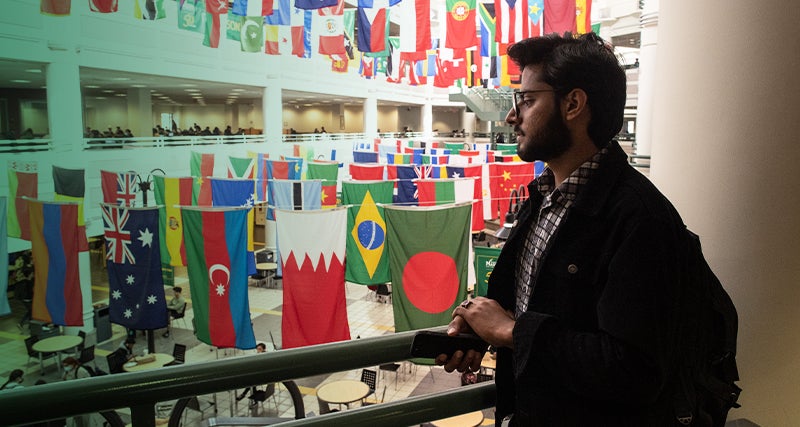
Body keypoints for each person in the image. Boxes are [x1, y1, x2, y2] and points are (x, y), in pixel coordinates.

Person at [437, 32, 693, 426]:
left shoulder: (641, 220)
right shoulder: (542, 197)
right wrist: (479, 323)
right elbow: (536, 304)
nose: (511, 117)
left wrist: (512, 333)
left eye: (526, 100)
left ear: (573, 104)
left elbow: (636, 371)